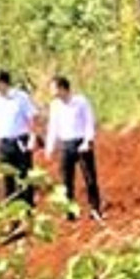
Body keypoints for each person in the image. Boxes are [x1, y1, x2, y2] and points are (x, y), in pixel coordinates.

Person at [44, 75, 103, 221]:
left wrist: (88, 141)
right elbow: (53, 126)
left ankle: (95, 208)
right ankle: (69, 212)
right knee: (66, 181)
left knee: (90, 178)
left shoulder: (81, 101)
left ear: (62, 88)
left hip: (82, 143)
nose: (52, 92)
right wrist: (50, 146)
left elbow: (89, 122)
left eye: (54, 88)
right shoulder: (55, 105)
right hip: (66, 144)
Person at [0, 70, 38, 210]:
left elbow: (31, 118)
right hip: (3, 143)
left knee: (24, 176)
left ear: (2, 83)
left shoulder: (21, 97)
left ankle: (28, 211)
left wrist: (32, 137)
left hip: (20, 141)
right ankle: (11, 214)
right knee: (6, 178)